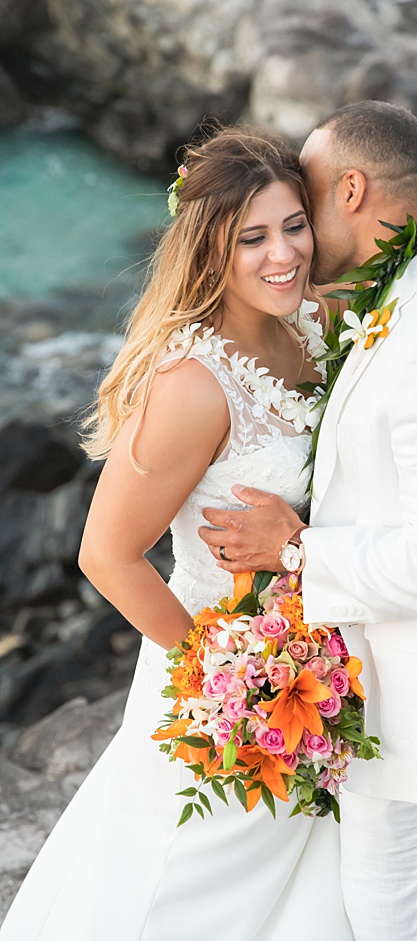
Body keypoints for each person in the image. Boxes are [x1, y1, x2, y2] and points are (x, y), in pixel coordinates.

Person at [198, 101, 417, 941]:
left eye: (308, 205)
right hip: (383, 695)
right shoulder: (411, 292)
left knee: (394, 922)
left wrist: (294, 547)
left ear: (351, 188)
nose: (297, 237)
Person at [0, 129, 355, 941]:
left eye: (295, 225)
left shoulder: (315, 324)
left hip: (312, 674)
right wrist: (224, 678)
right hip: (225, 685)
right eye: (253, 238)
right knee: (177, 891)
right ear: (211, 250)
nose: (284, 255)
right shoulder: (193, 384)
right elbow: (105, 553)